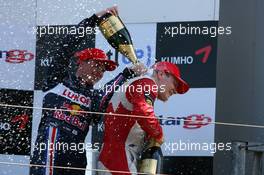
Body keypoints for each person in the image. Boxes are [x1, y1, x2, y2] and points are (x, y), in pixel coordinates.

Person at [30, 7, 147, 175]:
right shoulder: (57, 79)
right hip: (48, 154)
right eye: (96, 64)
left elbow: (106, 97)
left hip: (75, 160)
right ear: (81, 63)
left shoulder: (94, 98)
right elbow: (66, 45)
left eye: (103, 69)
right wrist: (93, 20)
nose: (99, 71)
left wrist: (127, 74)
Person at [98, 61, 189, 175]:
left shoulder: (141, 84)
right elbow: (143, 112)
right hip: (119, 159)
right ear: (161, 74)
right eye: (175, 83)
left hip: (116, 157)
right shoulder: (147, 83)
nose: (175, 90)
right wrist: (158, 134)